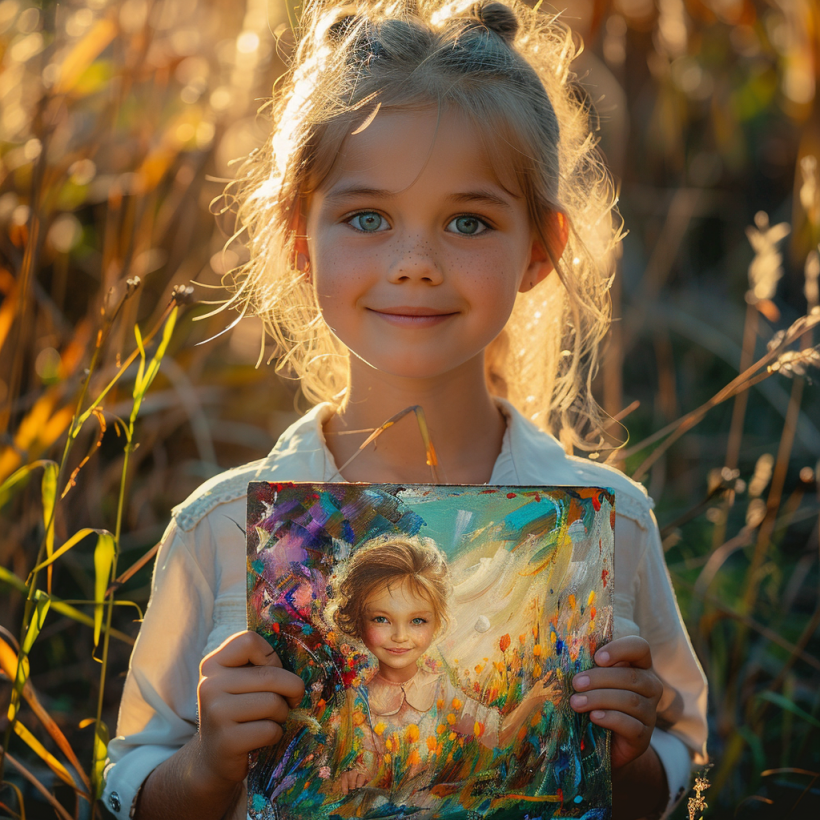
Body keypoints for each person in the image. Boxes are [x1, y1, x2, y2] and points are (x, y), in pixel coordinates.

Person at [102, 2, 708, 819]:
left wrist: (629, 757)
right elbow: (133, 783)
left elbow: (680, 763)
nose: (415, 263)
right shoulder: (222, 527)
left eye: (468, 221)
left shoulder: (610, 528)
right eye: (367, 218)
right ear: (296, 236)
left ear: (539, 248)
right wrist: (209, 765)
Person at [322, 535, 561, 806]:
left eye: (417, 621)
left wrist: (531, 700)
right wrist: (354, 775)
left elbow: (495, 735)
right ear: (358, 621)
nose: (400, 636)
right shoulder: (355, 701)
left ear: (435, 624)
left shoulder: (440, 690)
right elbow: (355, 763)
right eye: (381, 619)